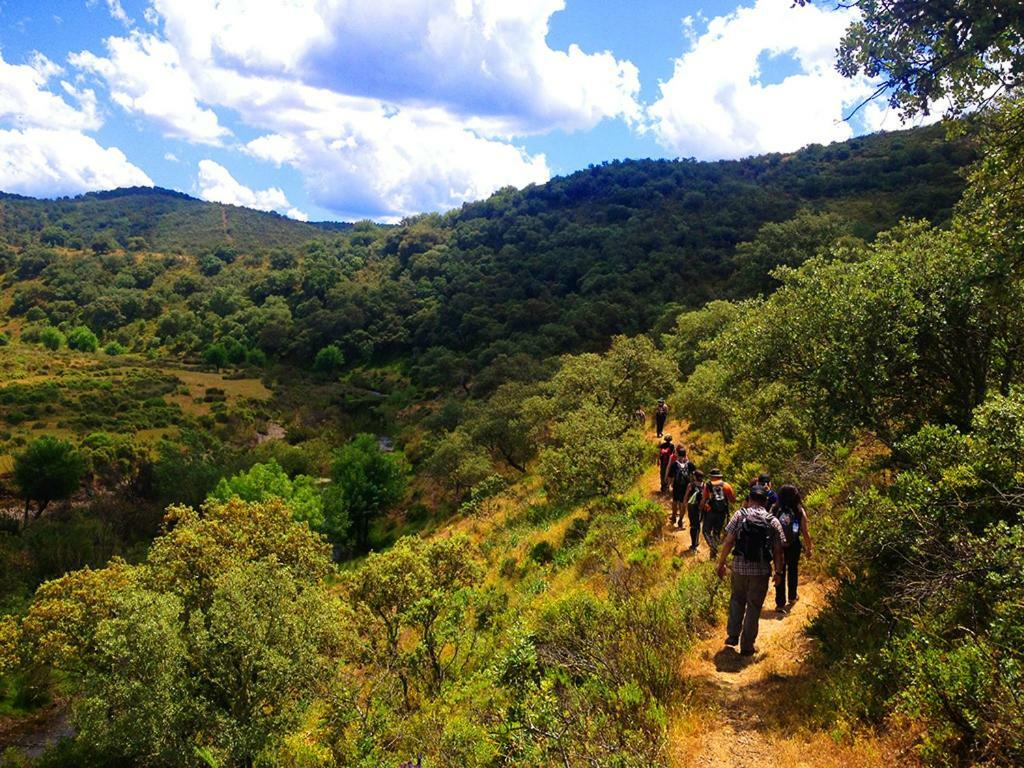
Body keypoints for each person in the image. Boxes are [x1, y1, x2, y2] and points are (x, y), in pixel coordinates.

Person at [715, 485, 785, 656]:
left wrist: (721, 563)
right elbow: (778, 550)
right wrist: (779, 572)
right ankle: (747, 646)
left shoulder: (740, 515)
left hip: (739, 566)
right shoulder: (772, 520)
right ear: (766, 501)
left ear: (749, 499)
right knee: (754, 606)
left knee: (737, 599)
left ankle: (732, 635)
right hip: (761, 570)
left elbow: (729, 540)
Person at [772, 484, 813, 613]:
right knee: (793, 569)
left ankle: (780, 603)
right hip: (794, 544)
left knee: (779, 571)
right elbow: (805, 531)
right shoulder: (799, 510)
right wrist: (809, 548)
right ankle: (792, 596)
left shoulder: (775, 509)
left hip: (778, 545)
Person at [701, 469, 735, 558]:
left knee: (706, 531)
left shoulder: (707, 485)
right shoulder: (726, 486)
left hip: (710, 512)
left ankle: (714, 548)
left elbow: (704, 500)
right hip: (722, 513)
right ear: (720, 476)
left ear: (712, 476)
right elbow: (733, 500)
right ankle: (713, 556)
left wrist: (701, 509)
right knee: (716, 533)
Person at [667, 446, 696, 528]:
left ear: (677, 454)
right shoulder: (690, 464)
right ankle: (681, 519)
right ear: (685, 454)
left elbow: (670, 477)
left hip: (676, 486)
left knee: (675, 501)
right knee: (683, 503)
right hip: (686, 487)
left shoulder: (675, 464)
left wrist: (669, 485)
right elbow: (694, 475)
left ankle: (673, 516)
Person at [685, 469, 705, 551]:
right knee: (697, 525)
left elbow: (686, 496)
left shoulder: (691, 485)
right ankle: (695, 544)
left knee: (693, 525)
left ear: (695, 477)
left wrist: (684, 504)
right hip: (700, 507)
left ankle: (694, 544)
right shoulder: (705, 486)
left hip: (692, 507)